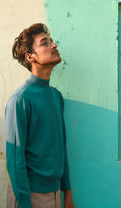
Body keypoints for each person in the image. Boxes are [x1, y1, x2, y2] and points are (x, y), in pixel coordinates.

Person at [5, 23, 75, 208]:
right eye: (45, 43)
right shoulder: (20, 100)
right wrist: (25, 203)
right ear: (30, 56)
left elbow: (61, 148)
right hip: (29, 195)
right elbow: (15, 159)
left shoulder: (56, 97)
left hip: (54, 194)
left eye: (51, 41)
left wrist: (67, 192)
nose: (54, 45)